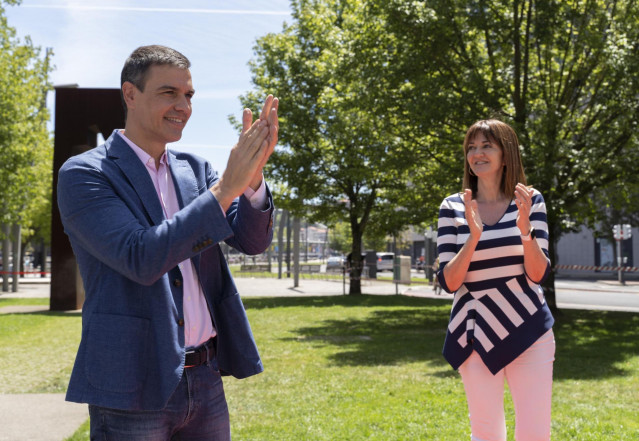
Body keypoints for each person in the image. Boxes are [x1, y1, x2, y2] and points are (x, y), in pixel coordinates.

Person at [57, 45, 278, 440]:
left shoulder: (196, 170)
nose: (183, 106)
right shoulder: (85, 174)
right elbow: (141, 256)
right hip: (131, 385)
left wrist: (252, 182)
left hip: (206, 379)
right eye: (168, 93)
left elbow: (252, 240)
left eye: (188, 95)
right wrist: (227, 187)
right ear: (130, 94)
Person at [435, 119, 555, 440]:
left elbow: (537, 273)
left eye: (487, 145)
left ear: (506, 152)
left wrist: (525, 229)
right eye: (471, 148)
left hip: (529, 329)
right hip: (474, 331)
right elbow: (449, 281)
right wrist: (473, 237)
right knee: (486, 432)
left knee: (534, 432)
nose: (477, 153)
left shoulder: (531, 200)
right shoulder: (452, 207)